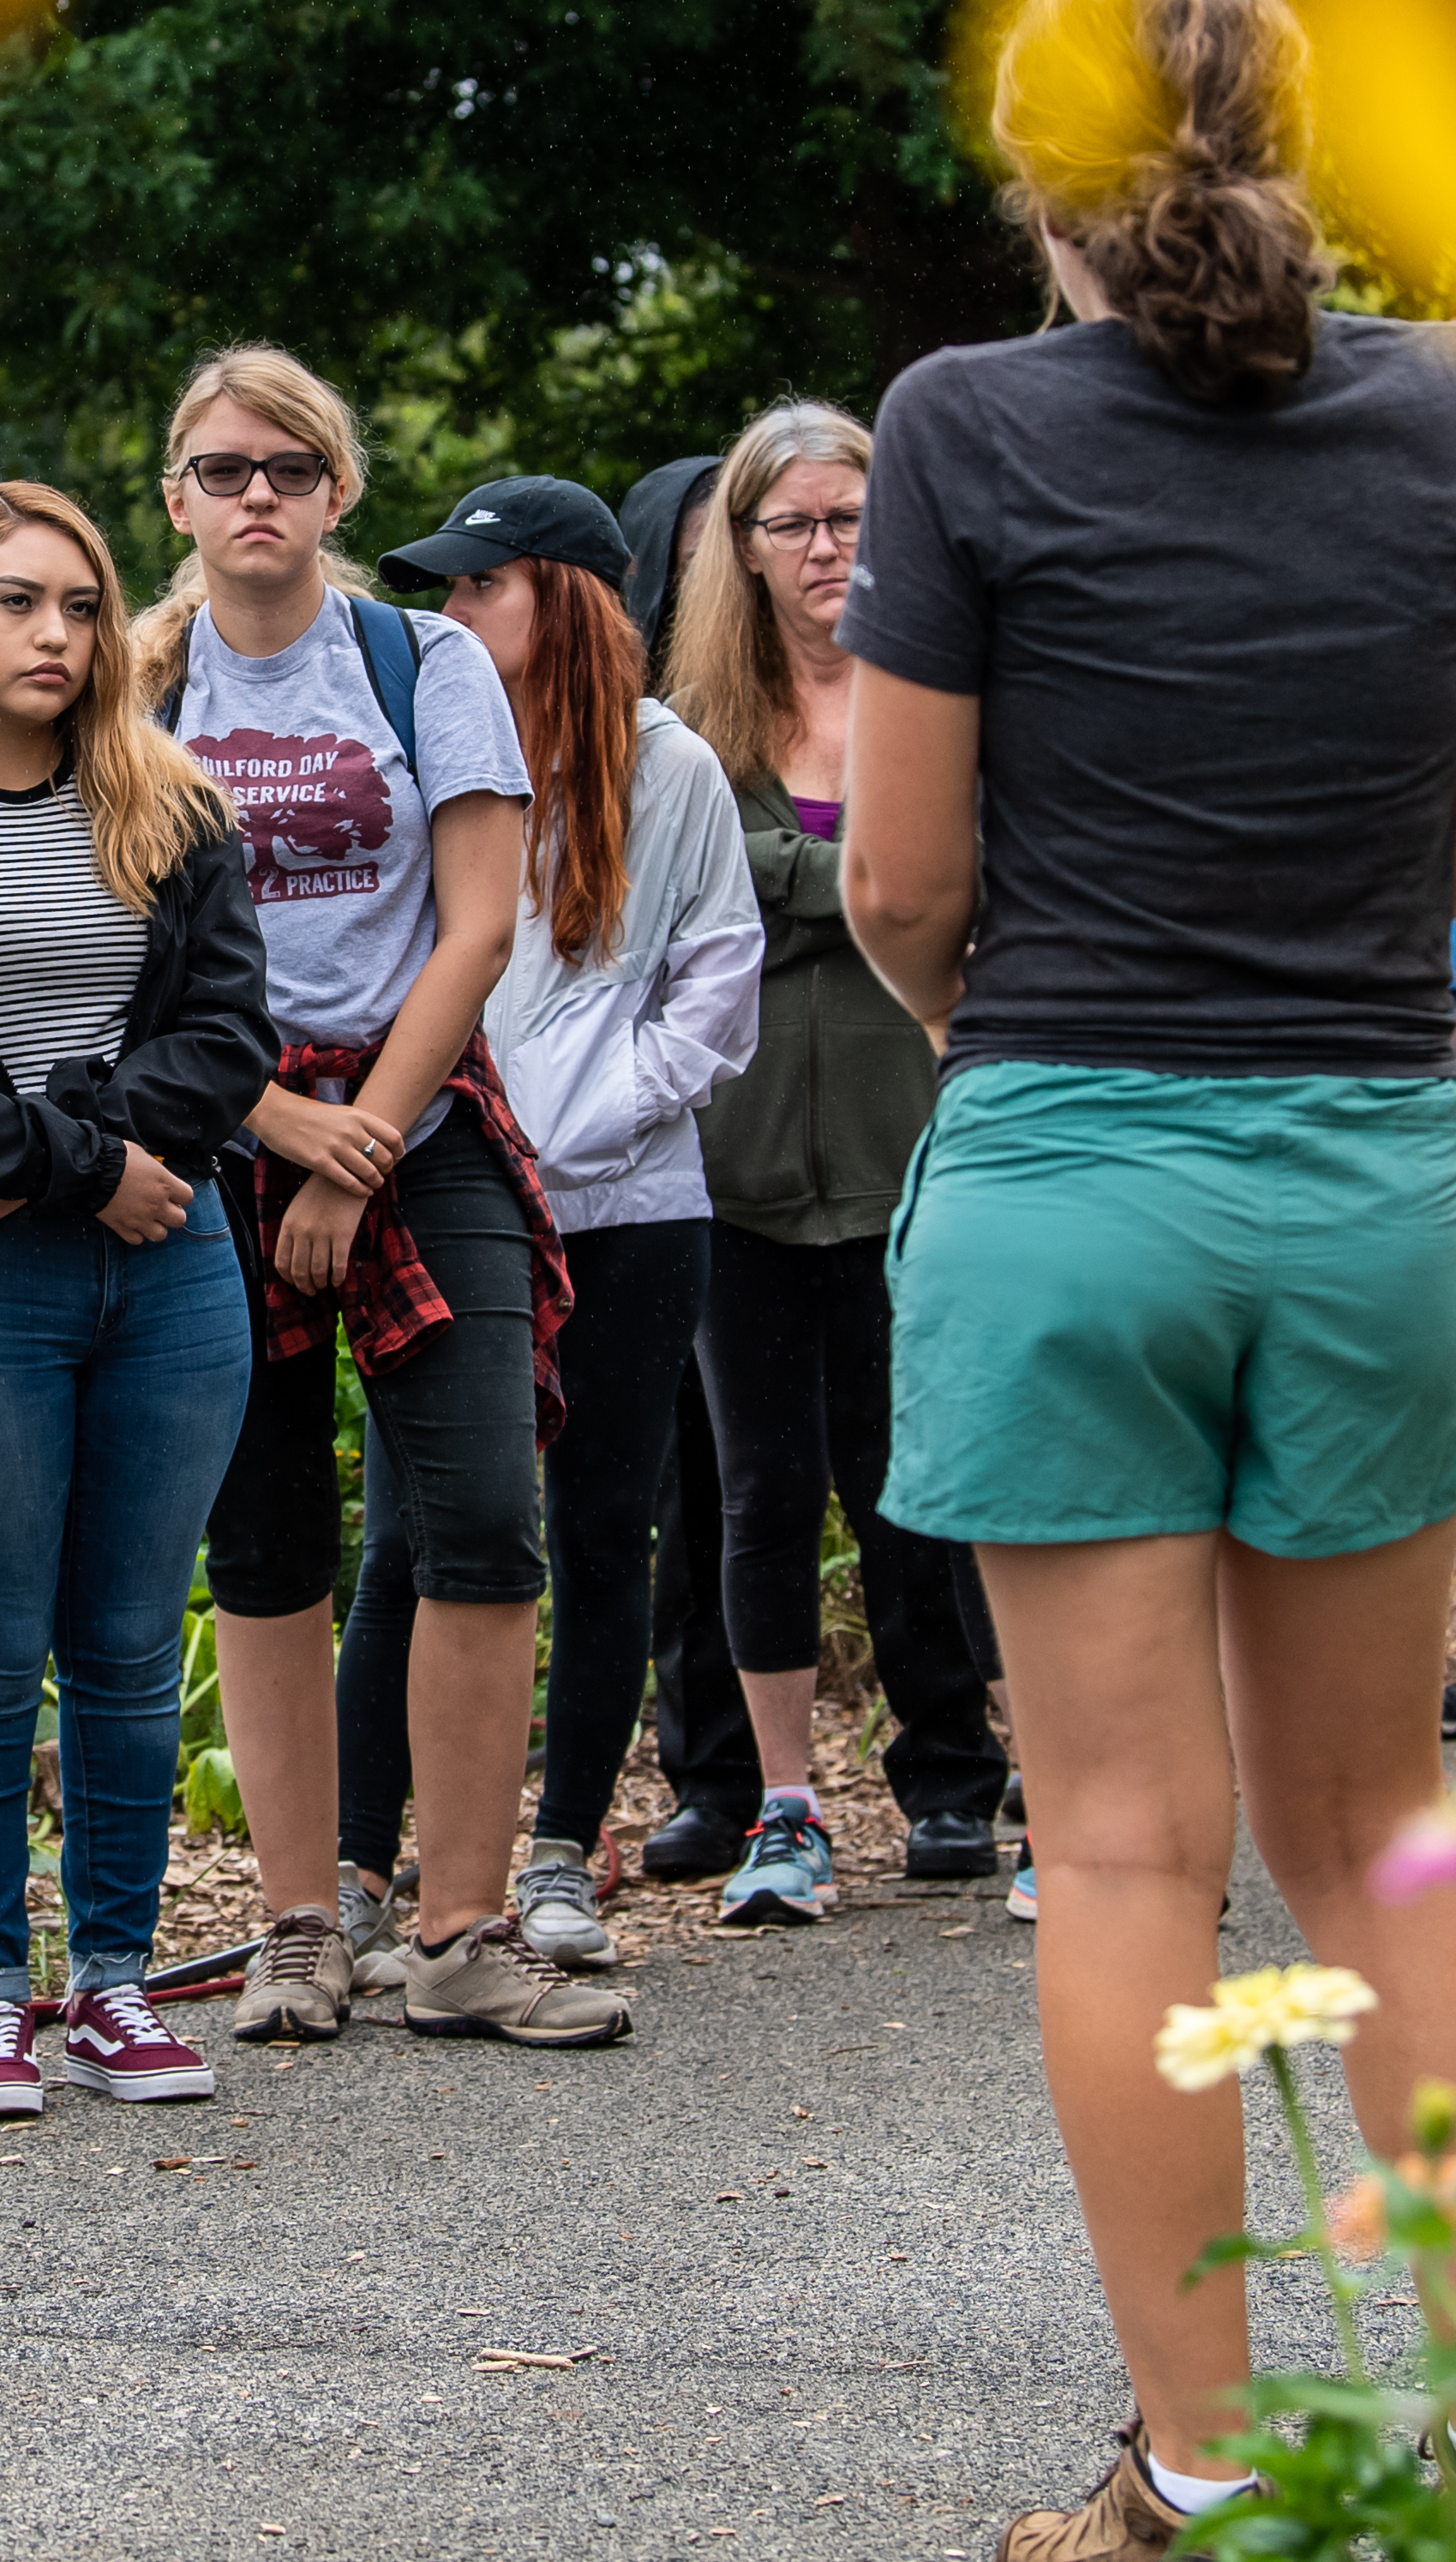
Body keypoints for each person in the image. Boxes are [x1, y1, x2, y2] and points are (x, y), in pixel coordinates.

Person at [834, 0, 1456, 2555]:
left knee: (1127, 1845)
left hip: (1061, 1162)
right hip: (1360, 1160)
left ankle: (1212, 2473)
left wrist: (992, 1013)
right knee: (1378, 1823)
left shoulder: (959, 424)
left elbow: (898, 875)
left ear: (1025, 164)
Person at [139, 348, 618, 2049]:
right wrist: (272, 1119)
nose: (255, 495)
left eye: (289, 466)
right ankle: (293, 1923)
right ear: (176, 497)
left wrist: (368, 1135)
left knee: (485, 1509)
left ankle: (464, 1928)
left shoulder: (421, 663)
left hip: (423, 1114)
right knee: (262, 1538)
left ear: (338, 493)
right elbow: (117, 955)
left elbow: (478, 919)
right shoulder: (139, 687)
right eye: (220, 469)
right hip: (215, 1121)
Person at [0, 483, 277, 2115]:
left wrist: (62, 1141)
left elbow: (231, 1038)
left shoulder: (173, 806)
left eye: (81, 606)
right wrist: (89, 1162)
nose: (54, 635)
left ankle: (112, 1981)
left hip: (170, 1276)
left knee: (122, 1642)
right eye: (17, 601)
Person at [375, 474, 758, 1970]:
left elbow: (712, 1001)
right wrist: (475, 1141)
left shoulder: (672, 774)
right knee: (423, 1530)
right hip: (453, 1193)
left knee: (606, 1525)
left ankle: (556, 1855)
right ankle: (371, 1860)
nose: (447, 613)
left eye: (478, 588)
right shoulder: (421, 751)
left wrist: (560, 1131)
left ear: (566, 599)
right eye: (440, 591)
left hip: (630, 1207)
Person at [658, 402, 1012, 1927]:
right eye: (791, 523)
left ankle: (948, 1777)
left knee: (910, 1481)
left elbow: (964, 876)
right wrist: (865, 875)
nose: (824, 548)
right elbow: (726, 896)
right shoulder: (695, 725)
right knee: (755, 1488)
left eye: (849, 517)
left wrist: (810, 881)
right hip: (729, 1162)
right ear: (740, 547)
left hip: (909, 1148)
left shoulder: (942, 701)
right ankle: (782, 1802)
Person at [610, 453, 772, 1881]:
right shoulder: (642, 728)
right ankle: (706, 1772)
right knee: (684, 1474)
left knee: (785, 1462)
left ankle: (946, 1768)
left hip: (770, 1128)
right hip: (651, 1146)